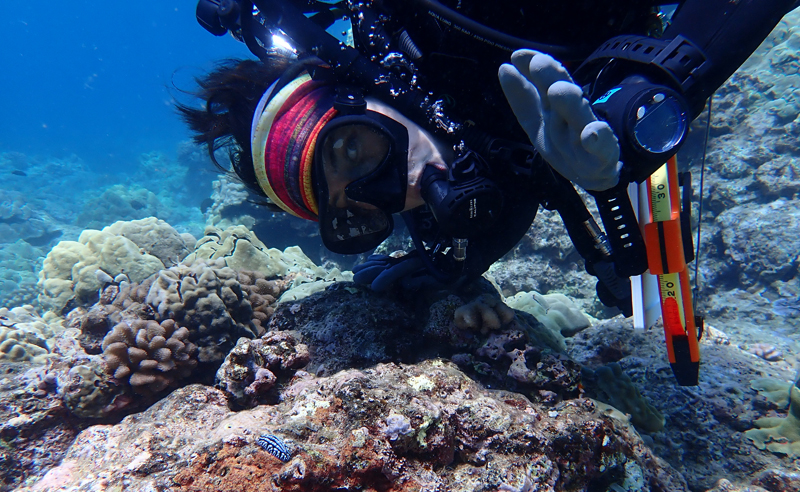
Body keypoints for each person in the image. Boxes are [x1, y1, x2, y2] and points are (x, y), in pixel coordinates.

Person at [181, 0, 796, 312]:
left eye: (353, 148)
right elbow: (508, 194)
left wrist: (648, 83)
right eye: (356, 214)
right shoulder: (430, 181)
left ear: (360, 90)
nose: (398, 188)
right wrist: (452, 267)